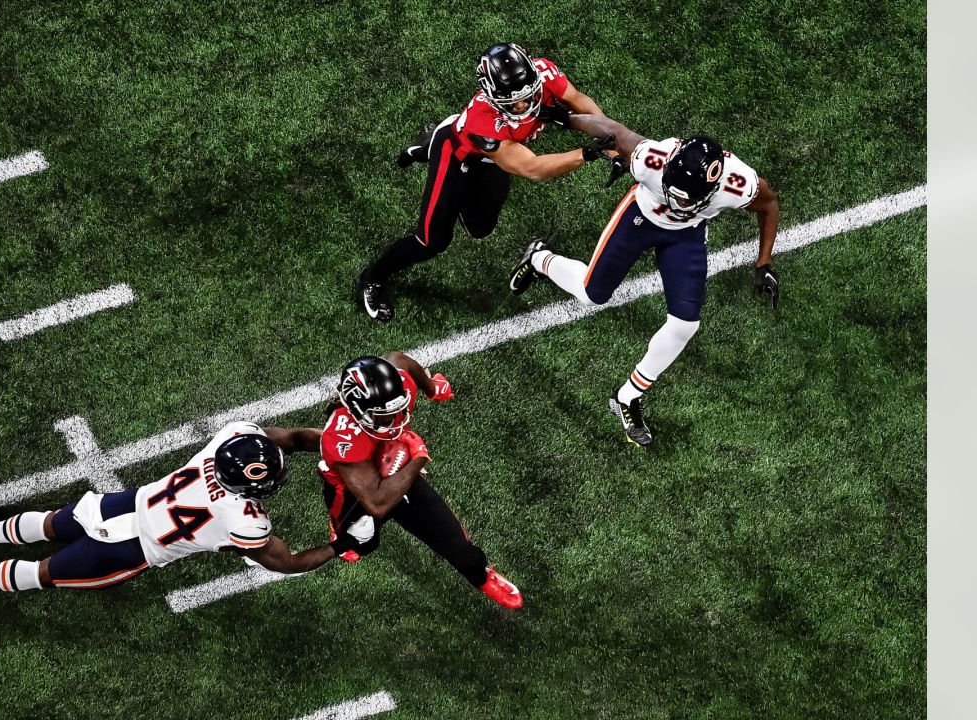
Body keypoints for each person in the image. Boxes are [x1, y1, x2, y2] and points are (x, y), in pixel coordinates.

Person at [508, 113, 781, 447]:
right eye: (677, 192)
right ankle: (540, 259)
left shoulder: (738, 183)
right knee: (592, 294)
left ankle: (628, 396)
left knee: (685, 324)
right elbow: (613, 132)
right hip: (639, 216)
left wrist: (763, 262)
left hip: (685, 235)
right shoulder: (650, 159)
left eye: (688, 197)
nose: (680, 201)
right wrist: (565, 118)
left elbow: (769, 204)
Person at [0, 422, 371, 600]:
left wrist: (334, 439)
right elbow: (287, 563)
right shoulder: (247, 521)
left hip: (119, 504)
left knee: (47, 523)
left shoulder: (228, 439)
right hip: (131, 549)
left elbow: (287, 436)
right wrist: (341, 544)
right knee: (45, 572)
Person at [354, 42, 617, 322]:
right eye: (512, 102)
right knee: (431, 242)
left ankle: (430, 143)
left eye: (528, 96)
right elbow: (532, 168)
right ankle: (372, 277)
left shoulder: (545, 73)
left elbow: (581, 102)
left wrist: (613, 145)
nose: (522, 106)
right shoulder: (483, 121)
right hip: (458, 155)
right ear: (492, 95)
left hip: (493, 160)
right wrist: (588, 152)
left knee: (480, 228)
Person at [288, 352, 523, 609]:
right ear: (358, 411)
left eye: (398, 410)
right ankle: (339, 528)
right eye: (385, 415)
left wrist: (432, 388)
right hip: (356, 497)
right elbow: (377, 503)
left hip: (398, 472)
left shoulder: (397, 392)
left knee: (464, 553)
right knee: (362, 544)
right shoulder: (343, 438)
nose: (397, 420)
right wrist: (417, 458)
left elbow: (401, 360)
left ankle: (481, 576)